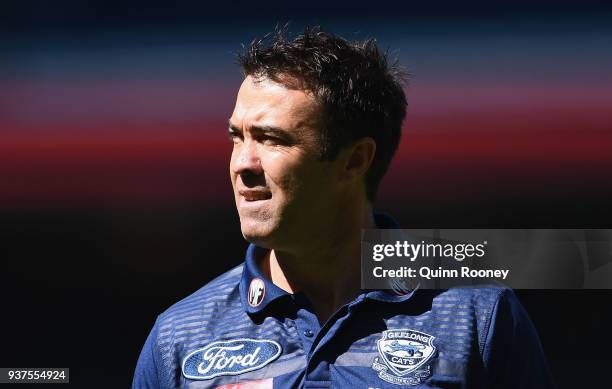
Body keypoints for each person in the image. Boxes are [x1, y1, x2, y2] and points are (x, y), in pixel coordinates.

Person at [132, 27, 554, 389]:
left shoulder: (476, 314)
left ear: (354, 160)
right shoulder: (179, 337)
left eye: (272, 139)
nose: (243, 164)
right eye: (236, 137)